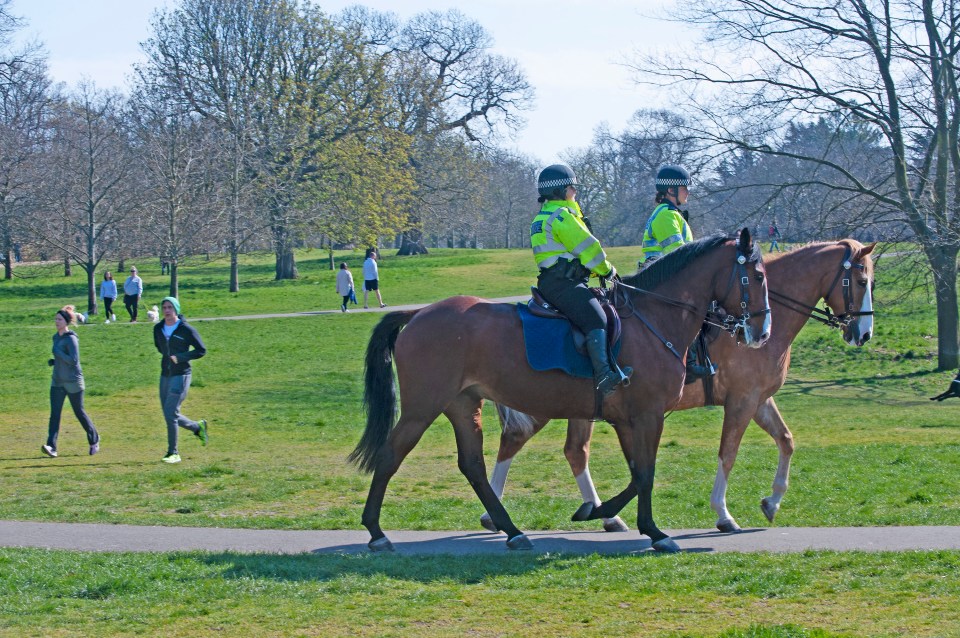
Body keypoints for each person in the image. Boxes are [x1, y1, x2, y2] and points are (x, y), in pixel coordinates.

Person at [531, 163, 630, 397]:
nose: (575, 192)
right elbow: (589, 249)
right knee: (597, 318)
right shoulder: (561, 216)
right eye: (572, 188)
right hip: (563, 285)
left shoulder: (545, 215)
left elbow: (571, 258)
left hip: (554, 281)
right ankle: (604, 376)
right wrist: (608, 271)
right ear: (562, 191)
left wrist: (594, 273)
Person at [153, 296, 207, 464]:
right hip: (165, 375)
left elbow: (201, 350)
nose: (167, 311)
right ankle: (197, 427)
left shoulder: (186, 329)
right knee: (170, 414)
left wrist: (181, 357)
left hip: (181, 375)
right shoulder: (158, 328)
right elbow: (159, 347)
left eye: (170, 307)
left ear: (176, 309)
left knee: (170, 413)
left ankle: (173, 453)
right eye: (164, 308)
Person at [42, 306, 100, 457]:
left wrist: (58, 353)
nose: (56, 322)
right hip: (57, 382)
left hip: (73, 382)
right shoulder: (56, 337)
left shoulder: (71, 338)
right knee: (55, 414)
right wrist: (54, 361)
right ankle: (51, 447)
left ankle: (94, 439)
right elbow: (62, 359)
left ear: (66, 322)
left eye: (59, 319)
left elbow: (73, 361)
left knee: (79, 412)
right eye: (55, 319)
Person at [639, 164, 694, 266]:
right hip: (660, 276)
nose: (688, 192)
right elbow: (678, 253)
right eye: (684, 188)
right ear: (671, 190)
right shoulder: (665, 215)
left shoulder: (668, 212)